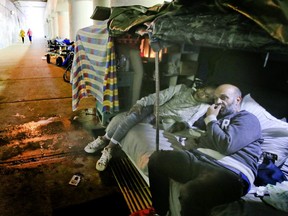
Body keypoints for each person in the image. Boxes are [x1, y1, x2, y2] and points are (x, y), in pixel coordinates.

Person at [147, 84, 263, 216]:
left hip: (230, 171)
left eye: (224, 98)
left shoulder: (248, 119)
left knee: (190, 192)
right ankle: (160, 211)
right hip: (200, 160)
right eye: (216, 98)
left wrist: (211, 119)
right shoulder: (216, 122)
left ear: (237, 99)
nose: (218, 102)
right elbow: (195, 128)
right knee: (157, 159)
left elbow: (227, 146)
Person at [84, 83, 216, 171]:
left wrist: (183, 124)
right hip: (153, 108)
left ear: (209, 100)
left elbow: (190, 122)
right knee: (131, 117)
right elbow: (159, 96)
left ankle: (104, 139)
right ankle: (109, 148)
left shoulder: (203, 107)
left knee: (128, 122)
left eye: (207, 96)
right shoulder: (182, 88)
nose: (203, 94)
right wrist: (141, 103)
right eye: (204, 90)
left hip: (163, 122)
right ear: (200, 87)